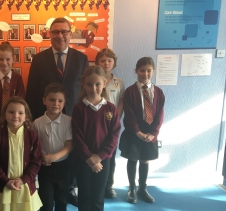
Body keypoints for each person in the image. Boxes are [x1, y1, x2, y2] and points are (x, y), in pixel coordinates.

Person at [71, 66, 121, 211]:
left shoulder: (110, 108)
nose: (94, 88)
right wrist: (89, 158)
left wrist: (100, 156)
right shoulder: (79, 108)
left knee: (98, 196)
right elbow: (77, 135)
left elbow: (114, 134)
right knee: (84, 196)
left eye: (98, 84)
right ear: (83, 85)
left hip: (103, 160)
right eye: (89, 84)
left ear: (104, 83)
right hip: (83, 160)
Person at [119, 57, 165, 204]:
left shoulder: (158, 92)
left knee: (145, 160)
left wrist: (153, 133)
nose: (145, 73)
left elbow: (160, 114)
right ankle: (132, 189)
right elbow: (129, 114)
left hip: (150, 132)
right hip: (134, 132)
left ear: (153, 71)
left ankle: (142, 188)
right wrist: (138, 132)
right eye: (142, 70)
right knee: (133, 158)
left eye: (149, 70)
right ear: (136, 71)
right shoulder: (130, 91)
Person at [26, 17, 89, 120]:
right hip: (45, 119)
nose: (60, 36)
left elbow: (86, 92)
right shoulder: (38, 60)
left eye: (64, 32)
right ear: (50, 34)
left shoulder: (81, 60)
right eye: (55, 32)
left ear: (70, 34)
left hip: (74, 118)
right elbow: (31, 94)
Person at [0, 96, 43, 211]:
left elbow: (36, 161)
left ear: (26, 116)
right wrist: (6, 181)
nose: (15, 116)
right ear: (4, 115)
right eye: (11, 112)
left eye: (20, 112)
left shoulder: (32, 136)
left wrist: (24, 179)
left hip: (25, 186)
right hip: (5, 186)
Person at [32, 83, 73, 211]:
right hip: (45, 167)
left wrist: (54, 157)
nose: (56, 103)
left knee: (62, 199)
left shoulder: (69, 121)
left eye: (60, 100)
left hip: (63, 166)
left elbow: (69, 145)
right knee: (46, 201)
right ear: (44, 100)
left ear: (65, 102)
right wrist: (43, 158)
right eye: (52, 99)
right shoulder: (37, 123)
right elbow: (34, 145)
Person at [95, 48, 125, 198]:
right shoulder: (93, 80)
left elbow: (121, 102)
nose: (106, 63)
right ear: (97, 63)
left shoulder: (119, 82)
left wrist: (115, 120)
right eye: (102, 60)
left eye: (109, 60)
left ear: (114, 63)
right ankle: (96, 184)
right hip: (96, 124)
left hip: (112, 124)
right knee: (95, 153)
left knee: (110, 155)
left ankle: (108, 186)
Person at [0, 41, 25, 138]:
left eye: (8, 59)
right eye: (1, 59)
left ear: (13, 59)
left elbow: (20, 102)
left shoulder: (18, 79)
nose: (4, 62)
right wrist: (0, 122)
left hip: (14, 125)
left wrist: (10, 121)